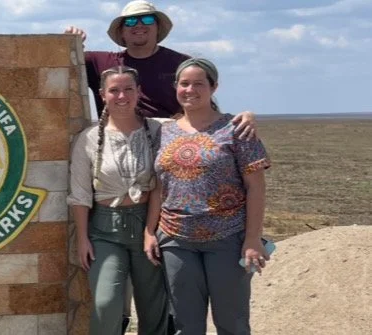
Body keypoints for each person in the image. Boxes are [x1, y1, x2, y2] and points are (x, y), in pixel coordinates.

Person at [144, 58, 270, 335]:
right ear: (175, 87)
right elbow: (157, 186)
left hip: (227, 239)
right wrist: (149, 231)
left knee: (231, 321)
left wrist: (252, 239)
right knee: (185, 323)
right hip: (176, 240)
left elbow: (256, 187)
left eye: (199, 83)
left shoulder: (236, 129)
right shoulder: (163, 131)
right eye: (184, 83)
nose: (190, 90)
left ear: (214, 87)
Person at [68, 65, 169, 335]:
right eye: (114, 90)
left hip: (148, 223)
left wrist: (245, 117)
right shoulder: (88, 139)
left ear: (139, 92)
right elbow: (80, 194)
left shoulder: (158, 130)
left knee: (153, 306)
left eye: (128, 89)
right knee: (105, 304)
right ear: (102, 94)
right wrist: (82, 239)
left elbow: (198, 123)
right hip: (104, 229)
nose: (121, 96)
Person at [65, 0, 258, 140]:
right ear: (122, 32)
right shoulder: (99, 62)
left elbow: (204, 104)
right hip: (117, 146)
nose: (139, 25)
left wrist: (239, 119)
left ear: (158, 27)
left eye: (147, 20)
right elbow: (59, 65)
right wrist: (69, 42)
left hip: (168, 142)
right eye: (130, 22)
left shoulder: (181, 63)